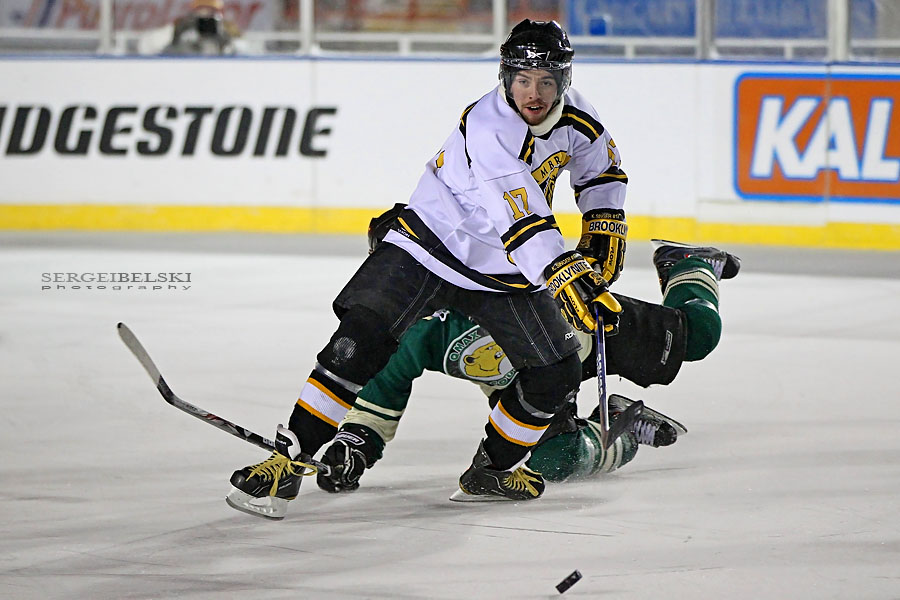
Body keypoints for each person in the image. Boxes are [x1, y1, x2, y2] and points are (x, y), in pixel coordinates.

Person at [226, 19, 630, 519]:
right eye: (523, 79)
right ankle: (287, 461)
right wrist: (564, 272)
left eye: (547, 80)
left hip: (503, 268)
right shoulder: (489, 127)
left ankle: (493, 469)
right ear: (506, 77)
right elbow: (520, 217)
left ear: (563, 81)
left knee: (556, 371)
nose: (534, 92)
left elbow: (602, 170)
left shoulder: (580, 119)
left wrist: (605, 223)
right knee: (359, 339)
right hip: (430, 244)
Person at [311, 206, 737, 494]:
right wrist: (352, 450)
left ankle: (688, 263)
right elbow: (378, 400)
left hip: (582, 333)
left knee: (700, 335)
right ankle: (621, 426)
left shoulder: (488, 263)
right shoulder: (405, 330)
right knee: (555, 461)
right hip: (530, 386)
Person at [160, 0, 241, 56]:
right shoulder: (183, 25)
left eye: (211, 10)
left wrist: (225, 42)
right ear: (194, 10)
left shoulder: (228, 27)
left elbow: (240, 51)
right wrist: (185, 41)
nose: (206, 14)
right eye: (202, 9)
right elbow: (168, 50)